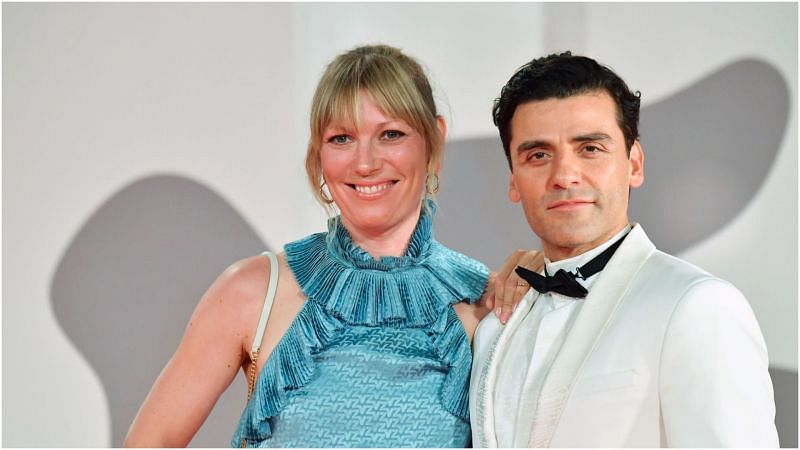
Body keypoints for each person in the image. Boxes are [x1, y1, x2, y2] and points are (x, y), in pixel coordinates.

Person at [125, 44, 495, 448]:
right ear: (319, 153)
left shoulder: (486, 303)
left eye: (391, 134)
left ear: (433, 140)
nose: (365, 163)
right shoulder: (252, 292)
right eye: (342, 138)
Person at [469, 51, 779, 447]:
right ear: (513, 180)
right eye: (538, 155)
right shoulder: (496, 326)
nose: (564, 175)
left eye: (590, 149)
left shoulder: (697, 306)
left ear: (634, 164)